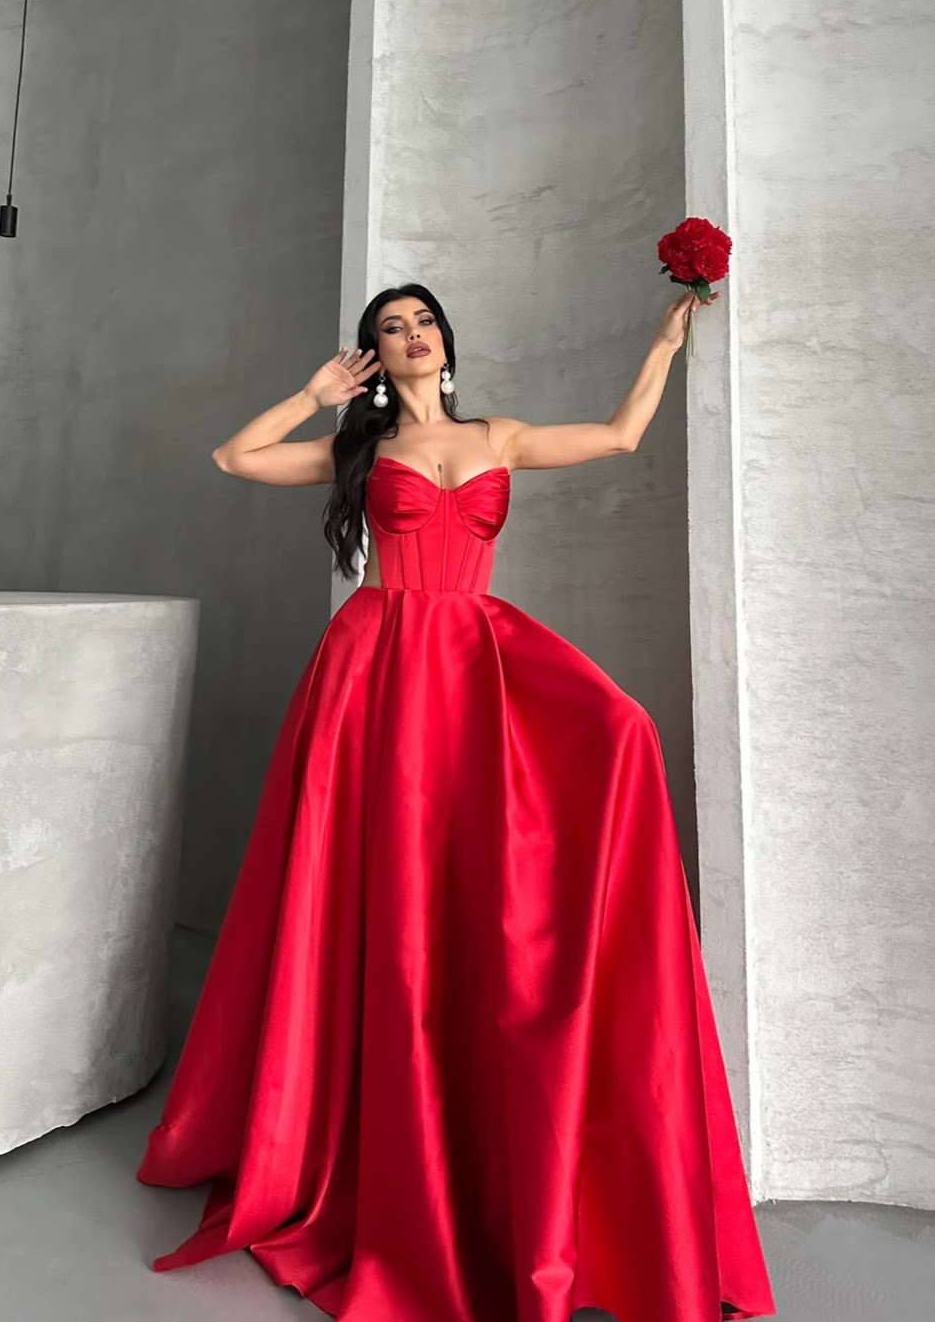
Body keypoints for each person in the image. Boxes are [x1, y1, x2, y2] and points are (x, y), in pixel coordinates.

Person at [136, 283, 777, 1322]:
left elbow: (619, 435)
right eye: (389, 327)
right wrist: (311, 394)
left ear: (444, 339)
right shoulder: (359, 453)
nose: (410, 335)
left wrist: (664, 337)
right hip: (379, 673)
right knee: (390, 893)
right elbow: (234, 459)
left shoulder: (501, 434)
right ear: (373, 355)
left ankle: (487, 1123)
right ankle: (386, 1140)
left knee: (614, 740)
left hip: (474, 661)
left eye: (421, 320)